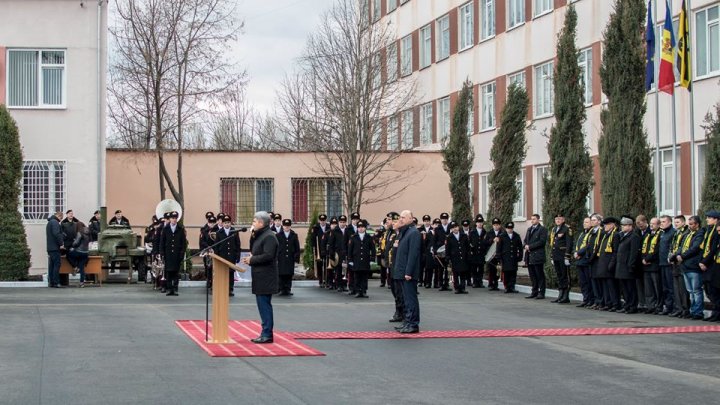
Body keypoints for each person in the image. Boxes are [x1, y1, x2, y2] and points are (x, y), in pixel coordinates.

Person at [241, 211, 279, 344]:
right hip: (260, 276)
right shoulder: (261, 235)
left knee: (265, 306)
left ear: (261, 223)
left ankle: (267, 334)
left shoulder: (269, 237)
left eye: (254, 221)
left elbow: (268, 256)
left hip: (266, 276)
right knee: (262, 305)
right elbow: (255, 249)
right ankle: (265, 332)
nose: (252, 223)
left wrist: (252, 260)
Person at [393, 210, 421, 334]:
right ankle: (407, 321)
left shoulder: (414, 232)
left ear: (411, 219)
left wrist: (408, 272)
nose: (401, 219)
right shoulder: (405, 232)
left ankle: (413, 324)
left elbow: (412, 255)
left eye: (404, 217)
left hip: (408, 273)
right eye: (400, 217)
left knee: (411, 299)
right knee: (406, 299)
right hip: (402, 272)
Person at [674, 215, 705, 320]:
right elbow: (681, 246)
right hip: (685, 266)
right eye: (689, 224)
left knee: (696, 290)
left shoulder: (700, 234)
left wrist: (682, 256)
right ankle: (693, 310)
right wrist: (677, 255)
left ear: (697, 224)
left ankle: (698, 312)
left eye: (692, 224)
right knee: (690, 291)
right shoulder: (688, 234)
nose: (690, 226)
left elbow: (695, 248)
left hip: (693, 266)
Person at [615, 217, 641, 314]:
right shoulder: (623, 236)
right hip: (621, 266)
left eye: (624, 225)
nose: (622, 227)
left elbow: (633, 253)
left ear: (630, 226)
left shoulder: (634, 236)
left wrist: (631, 265)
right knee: (624, 288)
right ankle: (627, 304)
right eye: (622, 225)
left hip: (628, 266)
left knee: (630, 288)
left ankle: (632, 305)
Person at [595, 217, 621, 312]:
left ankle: (615, 303)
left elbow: (615, 251)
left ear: (612, 225)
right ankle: (608, 302)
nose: (605, 226)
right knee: (605, 286)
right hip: (603, 264)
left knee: (612, 286)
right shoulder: (606, 235)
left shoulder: (615, 235)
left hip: (609, 264)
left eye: (606, 224)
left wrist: (612, 264)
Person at [699, 211, 720, 321]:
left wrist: (705, 262)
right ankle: (715, 312)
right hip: (707, 264)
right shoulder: (708, 230)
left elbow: (713, 249)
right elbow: (704, 247)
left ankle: (717, 313)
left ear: (716, 219)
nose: (707, 219)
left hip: (712, 265)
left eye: (709, 217)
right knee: (709, 290)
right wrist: (701, 261)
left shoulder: (716, 232)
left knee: (714, 290)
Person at [159, 211, 186, 296]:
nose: (174, 220)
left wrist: (182, 253)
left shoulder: (180, 229)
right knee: (168, 272)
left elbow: (183, 243)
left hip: (177, 254)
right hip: (168, 254)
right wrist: (162, 253)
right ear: (169, 219)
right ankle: (169, 288)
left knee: (176, 272)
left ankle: (175, 288)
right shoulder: (165, 229)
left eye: (175, 218)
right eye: (172, 218)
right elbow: (162, 242)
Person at [668, 215, 690, 317]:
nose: (675, 224)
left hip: (680, 263)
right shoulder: (676, 233)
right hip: (674, 263)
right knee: (676, 288)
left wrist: (673, 257)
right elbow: (672, 246)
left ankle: (685, 309)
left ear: (683, 223)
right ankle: (679, 308)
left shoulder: (686, 233)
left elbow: (681, 248)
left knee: (682, 289)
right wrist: (670, 257)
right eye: (675, 222)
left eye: (677, 222)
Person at [348, 219, 376, 298]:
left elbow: (373, 249)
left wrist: (372, 259)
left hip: (365, 260)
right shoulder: (353, 237)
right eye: (359, 227)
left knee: (364, 276)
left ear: (365, 228)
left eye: (362, 227)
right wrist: (350, 260)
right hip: (356, 260)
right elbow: (350, 249)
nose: (361, 228)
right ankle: (357, 291)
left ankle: (363, 291)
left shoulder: (369, 237)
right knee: (357, 276)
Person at [641, 217, 663, 314]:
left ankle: (658, 306)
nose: (651, 225)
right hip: (646, 265)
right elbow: (643, 248)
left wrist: (648, 259)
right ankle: (650, 306)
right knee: (648, 288)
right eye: (650, 223)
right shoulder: (648, 234)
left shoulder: (660, 234)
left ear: (658, 225)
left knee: (657, 287)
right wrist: (643, 259)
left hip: (654, 264)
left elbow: (657, 250)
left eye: (653, 224)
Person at [215, 215, 241, 297]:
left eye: (228, 222)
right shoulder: (219, 233)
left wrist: (237, 256)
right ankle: (223, 288)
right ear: (222, 223)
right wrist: (217, 257)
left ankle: (230, 289)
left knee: (231, 273)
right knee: (223, 273)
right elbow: (216, 246)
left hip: (231, 256)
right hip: (222, 256)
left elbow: (237, 245)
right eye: (225, 223)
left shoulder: (234, 232)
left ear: (230, 223)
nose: (227, 224)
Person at [549, 214, 573, 304]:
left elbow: (569, 243)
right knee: (559, 276)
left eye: (560, 219)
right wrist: (552, 255)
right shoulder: (554, 229)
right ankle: (560, 294)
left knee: (564, 275)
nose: (558, 220)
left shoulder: (567, 228)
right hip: (556, 255)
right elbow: (553, 244)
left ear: (563, 219)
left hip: (563, 256)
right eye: (556, 219)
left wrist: (567, 256)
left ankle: (566, 296)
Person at [524, 214, 548, 299]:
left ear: (538, 220)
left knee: (539, 275)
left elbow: (542, 242)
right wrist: (526, 245)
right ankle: (534, 291)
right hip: (529, 256)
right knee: (532, 275)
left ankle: (541, 292)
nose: (532, 221)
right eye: (531, 219)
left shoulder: (542, 229)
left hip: (537, 256)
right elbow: (525, 240)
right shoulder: (529, 229)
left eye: (534, 219)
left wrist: (530, 246)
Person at [573, 217, 595, 307]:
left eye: (587, 222)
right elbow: (577, 244)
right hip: (579, 261)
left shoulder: (591, 233)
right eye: (584, 222)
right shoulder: (582, 233)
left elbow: (588, 246)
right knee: (583, 282)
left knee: (588, 281)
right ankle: (585, 299)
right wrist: (575, 252)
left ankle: (590, 299)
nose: (584, 223)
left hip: (585, 260)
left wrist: (578, 253)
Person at [657, 215, 676, 315]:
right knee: (665, 287)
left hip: (669, 264)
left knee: (670, 287)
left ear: (669, 222)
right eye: (661, 222)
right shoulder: (663, 233)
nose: (662, 224)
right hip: (662, 263)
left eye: (664, 222)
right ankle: (668, 307)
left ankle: (674, 307)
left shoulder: (673, 233)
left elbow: (672, 248)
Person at [277, 218, 300, 296]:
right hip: (281, 258)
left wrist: (296, 257)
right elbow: (276, 247)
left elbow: (297, 247)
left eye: (288, 226)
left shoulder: (294, 235)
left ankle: (288, 289)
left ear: (290, 226)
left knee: (289, 274)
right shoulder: (278, 235)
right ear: (282, 226)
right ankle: (281, 289)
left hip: (290, 257)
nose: (287, 227)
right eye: (285, 226)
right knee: (281, 274)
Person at [446, 221, 470, 294]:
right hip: (454, 257)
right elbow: (448, 248)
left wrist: (468, 255)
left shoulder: (464, 235)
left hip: (463, 257)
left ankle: (462, 287)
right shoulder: (449, 237)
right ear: (451, 229)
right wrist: (448, 257)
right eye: (453, 228)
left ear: (458, 227)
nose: (455, 229)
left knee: (463, 273)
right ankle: (456, 287)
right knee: (455, 273)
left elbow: (467, 246)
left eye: (456, 227)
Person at [500, 222, 523, 293]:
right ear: (506, 228)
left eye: (511, 228)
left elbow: (520, 247)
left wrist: (520, 257)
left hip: (513, 257)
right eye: (508, 228)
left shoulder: (516, 236)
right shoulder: (502, 236)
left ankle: (512, 286)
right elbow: (499, 248)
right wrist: (499, 257)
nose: (510, 230)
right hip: (505, 258)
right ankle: (507, 287)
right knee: (506, 273)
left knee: (513, 272)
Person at [468, 214, 489, 288]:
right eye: (478, 222)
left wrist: (485, 252)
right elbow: (469, 242)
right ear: (476, 223)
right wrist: (471, 250)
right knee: (474, 268)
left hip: (481, 253)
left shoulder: (484, 232)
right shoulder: (472, 232)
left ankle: (480, 281)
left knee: (481, 268)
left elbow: (486, 243)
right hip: (474, 252)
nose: (480, 223)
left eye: (481, 222)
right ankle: (474, 282)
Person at [68, 222, 90, 287]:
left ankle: (75, 267)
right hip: (85, 253)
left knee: (68, 255)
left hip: (79, 251)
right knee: (82, 268)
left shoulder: (79, 233)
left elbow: (76, 243)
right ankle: (82, 283)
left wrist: (72, 245)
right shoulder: (88, 233)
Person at [46, 210, 64, 288]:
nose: (61, 220)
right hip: (55, 247)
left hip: (50, 247)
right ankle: (56, 282)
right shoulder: (55, 223)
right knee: (57, 264)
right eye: (61, 218)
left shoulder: (50, 222)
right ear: (59, 216)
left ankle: (51, 282)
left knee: (52, 265)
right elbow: (56, 234)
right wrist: (61, 243)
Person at [485, 218, 504, 291]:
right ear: (492, 225)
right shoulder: (489, 233)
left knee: (498, 270)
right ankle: (491, 284)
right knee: (491, 270)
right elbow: (485, 243)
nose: (496, 226)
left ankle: (496, 284)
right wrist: (492, 240)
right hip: (491, 255)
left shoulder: (502, 233)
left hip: (499, 254)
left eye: (497, 225)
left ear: (499, 225)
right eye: (494, 225)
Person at [312, 214, 329, 287]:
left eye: (324, 220)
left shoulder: (328, 227)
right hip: (318, 249)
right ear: (319, 221)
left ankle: (327, 280)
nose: (322, 222)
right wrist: (314, 249)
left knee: (327, 265)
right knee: (319, 265)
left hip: (327, 249)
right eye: (321, 220)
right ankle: (320, 280)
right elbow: (313, 239)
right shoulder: (316, 228)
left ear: (326, 220)